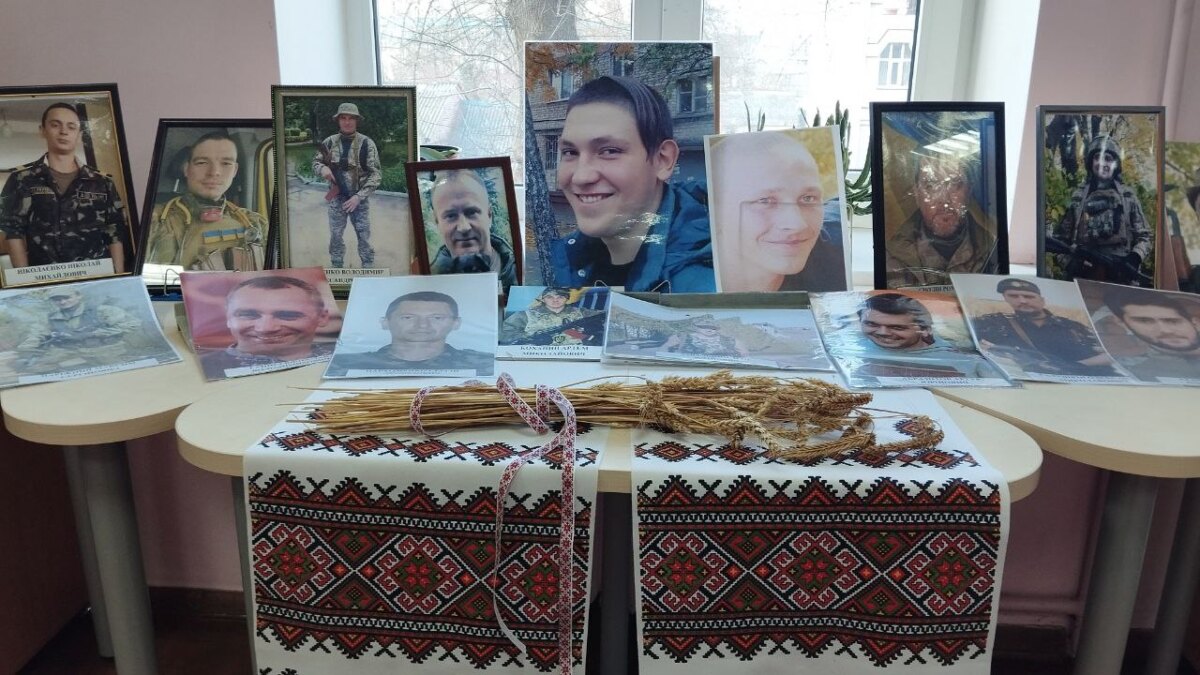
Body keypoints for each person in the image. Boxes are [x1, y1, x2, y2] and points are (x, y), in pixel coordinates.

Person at [551, 76, 713, 292]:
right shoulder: (570, 261)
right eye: (570, 152)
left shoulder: (712, 286)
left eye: (609, 151)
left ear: (663, 160)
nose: (581, 177)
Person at [707, 131, 846, 292]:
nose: (797, 224)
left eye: (808, 198)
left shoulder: (837, 252)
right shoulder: (689, 284)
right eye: (765, 201)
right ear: (714, 213)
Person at [0, 103, 126, 271]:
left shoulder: (102, 182)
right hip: (45, 276)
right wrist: (25, 279)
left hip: (95, 275)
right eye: (55, 125)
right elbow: (13, 232)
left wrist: (119, 277)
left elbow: (114, 232)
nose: (64, 132)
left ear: (79, 135)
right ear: (42, 130)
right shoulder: (22, 179)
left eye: (71, 127)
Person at [146, 131, 267, 271]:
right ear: (186, 168)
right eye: (202, 162)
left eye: (226, 163)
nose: (214, 172)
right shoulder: (155, 220)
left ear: (234, 171)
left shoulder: (255, 222)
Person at [885, 154, 998, 288]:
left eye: (955, 185)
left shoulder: (991, 249)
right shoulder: (892, 253)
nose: (944, 200)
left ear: (969, 191)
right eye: (930, 186)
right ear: (916, 193)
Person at [1051, 135, 1151, 285]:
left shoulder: (1128, 197)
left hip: (1120, 279)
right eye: (1097, 157)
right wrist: (1070, 264)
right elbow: (1059, 242)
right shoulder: (1077, 198)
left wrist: (1135, 258)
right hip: (1083, 278)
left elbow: (1145, 237)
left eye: (1107, 159)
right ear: (1090, 162)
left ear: (1116, 164)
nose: (1101, 163)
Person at [972, 278, 1118, 376]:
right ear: (1006, 299)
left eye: (1029, 296)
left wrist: (1072, 366)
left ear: (1042, 300)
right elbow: (966, 341)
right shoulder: (994, 323)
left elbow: (1110, 353)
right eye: (1014, 296)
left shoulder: (1073, 327)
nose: (1022, 301)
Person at [326, 291, 493, 375]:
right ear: (385, 322)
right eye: (408, 317)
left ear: (456, 323)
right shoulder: (345, 364)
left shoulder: (483, 364)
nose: (422, 325)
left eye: (436, 318)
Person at [199, 276, 334, 377]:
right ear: (228, 318)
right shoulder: (203, 369)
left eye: (287, 315)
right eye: (248, 315)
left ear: (322, 317)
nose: (266, 328)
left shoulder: (341, 358)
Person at [853, 292, 1000, 379]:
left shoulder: (968, 360)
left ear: (925, 329)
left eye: (897, 327)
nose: (882, 332)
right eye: (871, 324)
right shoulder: (851, 346)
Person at [314, 103, 381, 268]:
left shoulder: (366, 143)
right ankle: (337, 265)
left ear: (357, 121)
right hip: (336, 197)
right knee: (336, 235)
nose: (347, 122)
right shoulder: (329, 142)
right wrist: (322, 168)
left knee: (364, 236)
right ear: (338, 120)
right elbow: (315, 162)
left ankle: (368, 266)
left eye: (351, 118)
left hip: (359, 200)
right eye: (343, 118)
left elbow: (376, 174)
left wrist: (359, 197)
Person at [427, 170, 517, 288]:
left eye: (471, 212)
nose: (464, 227)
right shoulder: (427, 283)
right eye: (451, 216)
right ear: (437, 222)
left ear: (489, 215)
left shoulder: (521, 272)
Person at [16, 286, 139, 369]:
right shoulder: (50, 318)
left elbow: (133, 323)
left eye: (67, 298)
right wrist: (27, 349)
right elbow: (37, 334)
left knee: (120, 373)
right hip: (68, 351)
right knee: (34, 368)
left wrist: (95, 333)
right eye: (57, 300)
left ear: (78, 296)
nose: (62, 302)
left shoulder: (102, 311)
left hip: (103, 349)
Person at [1102, 289, 1200, 382]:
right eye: (1145, 321)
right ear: (1121, 323)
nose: (1165, 330)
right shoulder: (1140, 369)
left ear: (1195, 322)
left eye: (1173, 321)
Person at [500, 287, 602, 345]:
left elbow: (606, 318)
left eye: (560, 297)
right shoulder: (525, 315)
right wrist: (530, 336)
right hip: (537, 356)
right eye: (549, 297)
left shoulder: (582, 312)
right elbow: (504, 334)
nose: (555, 300)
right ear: (543, 299)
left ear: (567, 299)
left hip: (578, 355)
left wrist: (589, 332)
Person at [660, 320, 748, 358]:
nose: (709, 329)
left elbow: (745, 355)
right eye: (704, 327)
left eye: (713, 328)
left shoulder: (730, 340)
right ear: (696, 327)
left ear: (717, 329)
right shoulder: (682, 337)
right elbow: (663, 350)